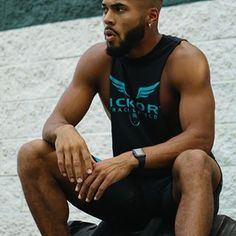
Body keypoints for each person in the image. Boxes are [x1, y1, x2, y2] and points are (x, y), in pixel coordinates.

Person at [17, 0, 223, 235]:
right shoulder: (98, 59)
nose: (107, 18)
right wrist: (63, 130)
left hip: (176, 188)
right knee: (32, 155)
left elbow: (201, 138)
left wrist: (132, 158)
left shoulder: (185, 60)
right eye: (105, 8)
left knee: (194, 161)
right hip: (130, 190)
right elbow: (55, 121)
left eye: (119, 8)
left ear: (151, 16)